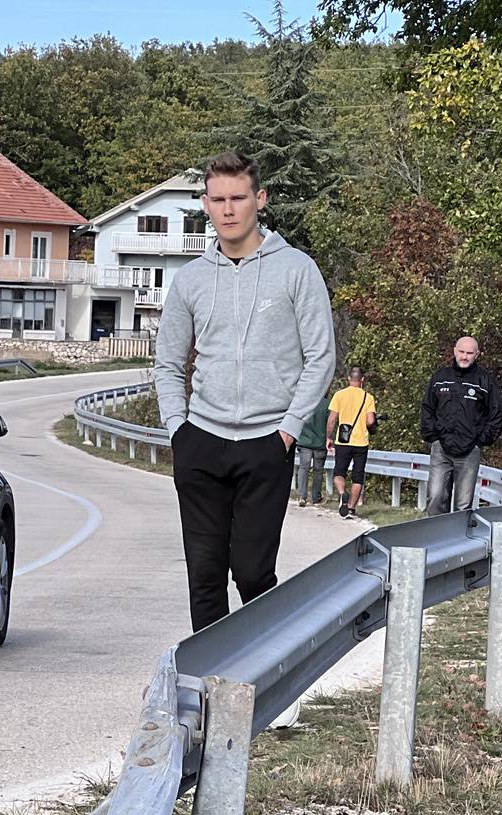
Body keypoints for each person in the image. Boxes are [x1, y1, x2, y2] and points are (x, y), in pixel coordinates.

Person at [155, 151, 335, 632]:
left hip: (267, 442)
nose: (228, 209)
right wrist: (179, 429)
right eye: (218, 200)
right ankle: (211, 691)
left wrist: (289, 429)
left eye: (238, 198)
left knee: (254, 574)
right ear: (206, 205)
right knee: (205, 577)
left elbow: (321, 357)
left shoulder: (297, 269)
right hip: (202, 441)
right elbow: (168, 361)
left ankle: (263, 678)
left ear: (260, 199)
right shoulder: (191, 278)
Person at [419, 335, 502, 513]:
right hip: (441, 448)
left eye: (469, 353)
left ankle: (459, 539)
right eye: (461, 352)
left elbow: (495, 414)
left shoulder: (485, 381)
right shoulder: (440, 377)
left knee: (463, 505)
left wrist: (481, 440)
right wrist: (433, 436)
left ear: (477, 355)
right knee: (435, 497)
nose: (464, 357)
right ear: (454, 351)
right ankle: (436, 537)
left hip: (469, 451)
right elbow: (427, 408)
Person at [326, 366, 377, 519]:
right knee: (358, 475)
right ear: (362, 379)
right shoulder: (368, 397)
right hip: (361, 441)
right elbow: (370, 421)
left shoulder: (339, 395)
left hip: (343, 440)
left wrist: (328, 436)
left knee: (339, 472)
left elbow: (332, 419)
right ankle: (351, 508)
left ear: (349, 378)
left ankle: (342, 493)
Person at [293, 389, 335, 506]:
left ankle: (302, 496)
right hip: (320, 442)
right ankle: (316, 496)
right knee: (318, 470)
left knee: (304, 468)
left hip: (305, 441)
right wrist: (329, 438)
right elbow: (330, 422)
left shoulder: (305, 402)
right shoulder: (327, 404)